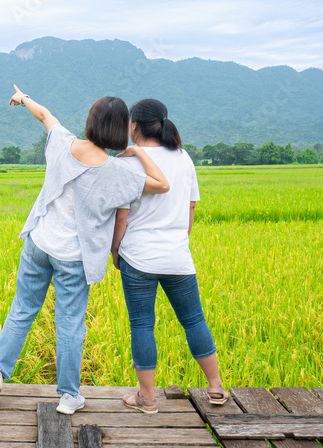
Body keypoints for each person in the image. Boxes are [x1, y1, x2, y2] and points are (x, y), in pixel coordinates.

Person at [0, 85, 170, 415]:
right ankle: (69, 397)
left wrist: (23, 97)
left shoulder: (62, 142)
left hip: (39, 243)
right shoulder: (117, 172)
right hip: (74, 257)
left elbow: (45, 114)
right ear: (120, 128)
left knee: (23, 309)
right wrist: (139, 152)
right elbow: (162, 185)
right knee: (69, 325)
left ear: (90, 121)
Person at [111, 98, 228, 414]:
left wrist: (115, 249)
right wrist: (179, 241)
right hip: (178, 256)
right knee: (193, 320)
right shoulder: (183, 157)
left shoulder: (126, 162)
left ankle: (147, 398)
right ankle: (216, 387)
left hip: (138, 257)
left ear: (134, 125)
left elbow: (121, 216)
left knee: (142, 325)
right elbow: (191, 207)